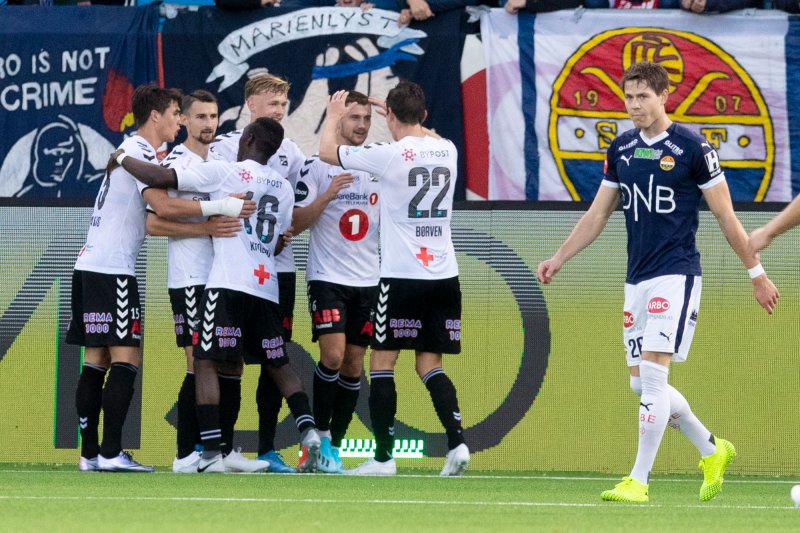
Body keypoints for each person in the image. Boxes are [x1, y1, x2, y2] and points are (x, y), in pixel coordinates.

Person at [537, 61, 779, 502]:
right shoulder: (622, 147)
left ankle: (639, 481)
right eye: (628, 97)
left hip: (677, 273)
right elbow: (598, 214)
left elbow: (725, 215)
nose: (634, 105)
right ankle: (712, 448)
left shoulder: (692, 147)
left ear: (665, 96)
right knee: (640, 384)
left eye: (643, 97)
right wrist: (559, 257)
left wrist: (755, 273)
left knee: (651, 379)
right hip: (637, 279)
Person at [111, 117, 322, 474]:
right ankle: (308, 428)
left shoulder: (226, 172)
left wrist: (120, 159)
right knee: (277, 362)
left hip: (227, 282)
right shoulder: (284, 189)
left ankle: (210, 454)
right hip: (266, 283)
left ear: (249, 138)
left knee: (205, 361)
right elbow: (275, 240)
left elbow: (162, 178)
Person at [68, 84, 254, 473]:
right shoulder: (140, 152)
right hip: (113, 269)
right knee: (126, 358)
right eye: (176, 113)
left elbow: (155, 214)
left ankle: (89, 454)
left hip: (89, 264)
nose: (179, 121)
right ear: (157, 115)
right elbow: (162, 205)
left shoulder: (129, 151)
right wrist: (222, 207)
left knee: (95, 358)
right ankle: (111, 451)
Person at [319, 81, 470, 477]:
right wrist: (415, 120)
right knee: (429, 364)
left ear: (388, 116)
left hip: (403, 276)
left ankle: (384, 457)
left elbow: (325, 153)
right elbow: (429, 134)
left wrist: (334, 117)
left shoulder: (387, 154)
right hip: (445, 275)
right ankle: (457, 443)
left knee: (383, 362)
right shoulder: (448, 149)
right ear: (423, 115)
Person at [147, 90, 270, 474]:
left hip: (226, 279)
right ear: (183, 120)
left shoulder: (222, 161)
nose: (208, 124)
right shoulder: (174, 162)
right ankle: (187, 454)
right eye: (200, 117)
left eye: (213, 116)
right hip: (190, 278)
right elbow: (152, 222)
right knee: (198, 361)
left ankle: (225, 451)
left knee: (231, 362)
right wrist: (205, 228)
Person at [209, 73, 307, 473]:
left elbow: (291, 216)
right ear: (251, 105)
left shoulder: (293, 153)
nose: (279, 111)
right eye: (273, 104)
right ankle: (216, 448)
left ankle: (267, 447)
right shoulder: (226, 147)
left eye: (283, 105)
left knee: (273, 355)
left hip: (276, 270)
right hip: (233, 268)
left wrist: (286, 232)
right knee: (222, 358)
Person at [293, 90, 380, 473]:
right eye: (353, 118)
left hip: (369, 280)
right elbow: (296, 223)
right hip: (328, 277)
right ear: (337, 120)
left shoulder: (378, 163)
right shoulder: (317, 167)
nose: (360, 125)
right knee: (332, 355)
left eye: (366, 118)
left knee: (354, 364)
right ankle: (316, 437)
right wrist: (327, 197)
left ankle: (332, 448)